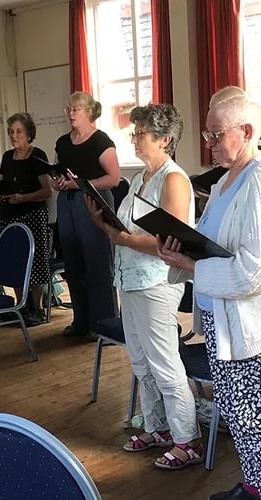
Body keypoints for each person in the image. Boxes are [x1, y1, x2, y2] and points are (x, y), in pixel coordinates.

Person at [158, 96, 261, 499]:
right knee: (240, 415)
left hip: (255, 320)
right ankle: (254, 486)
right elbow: (214, 243)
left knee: (258, 419)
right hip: (226, 317)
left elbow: (255, 271)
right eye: (207, 132)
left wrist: (192, 267)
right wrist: (181, 250)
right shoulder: (226, 179)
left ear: (246, 132)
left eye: (216, 133)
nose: (208, 141)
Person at [85, 103, 202, 469]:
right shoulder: (140, 178)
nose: (133, 139)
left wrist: (119, 238)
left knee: (164, 363)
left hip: (157, 282)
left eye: (140, 133)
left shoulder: (173, 179)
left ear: (165, 139)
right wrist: (105, 225)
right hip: (131, 279)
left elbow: (171, 242)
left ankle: (187, 439)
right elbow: (126, 231)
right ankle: (158, 427)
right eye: (134, 131)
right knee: (140, 361)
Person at [51, 91, 121, 337]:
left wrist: (79, 184)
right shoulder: (62, 142)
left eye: (76, 109)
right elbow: (57, 173)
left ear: (89, 112)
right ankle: (81, 320)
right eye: (69, 108)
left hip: (93, 202)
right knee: (73, 264)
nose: (71, 113)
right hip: (67, 203)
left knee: (97, 263)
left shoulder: (101, 141)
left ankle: (105, 324)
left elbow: (114, 178)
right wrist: (58, 183)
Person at [0, 113, 53, 326]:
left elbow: (47, 191)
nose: (13, 135)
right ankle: (21, 305)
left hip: (32, 215)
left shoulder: (38, 156)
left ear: (28, 134)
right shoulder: (7, 157)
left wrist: (23, 198)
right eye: (11, 131)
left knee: (34, 262)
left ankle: (37, 308)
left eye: (18, 131)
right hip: (9, 215)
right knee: (14, 259)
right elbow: (4, 183)